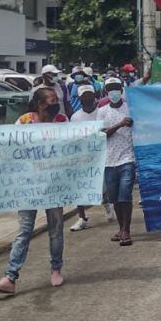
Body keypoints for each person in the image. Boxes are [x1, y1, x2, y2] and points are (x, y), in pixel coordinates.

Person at [0, 88, 69, 294]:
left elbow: (75, 144)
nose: (55, 103)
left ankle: (56, 268)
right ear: (40, 104)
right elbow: (9, 145)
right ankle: (10, 276)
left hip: (53, 184)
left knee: (56, 229)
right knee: (24, 230)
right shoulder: (24, 121)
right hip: (28, 185)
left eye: (56, 100)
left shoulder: (61, 121)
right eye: (51, 100)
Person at [99, 78, 136, 246]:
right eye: (110, 89)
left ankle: (126, 230)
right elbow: (102, 134)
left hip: (128, 157)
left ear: (121, 90)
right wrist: (120, 124)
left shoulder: (130, 108)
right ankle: (121, 228)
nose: (114, 92)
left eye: (117, 88)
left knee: (125, 195)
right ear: (106, 92)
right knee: (115, 198)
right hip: (109, 160)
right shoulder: (102, 111)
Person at [68, 85, 100, 232]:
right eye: (84, 96)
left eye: (89, 95)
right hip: (83, 158)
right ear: (79, 99)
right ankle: (82, 217)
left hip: (103, 155)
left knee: (105, 189)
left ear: (95, 96)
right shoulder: (75, 117)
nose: (87, 99)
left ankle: (107, 203)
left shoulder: (102, 113)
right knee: (79, 187)